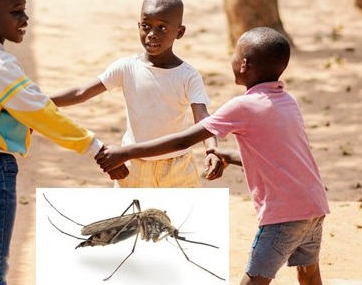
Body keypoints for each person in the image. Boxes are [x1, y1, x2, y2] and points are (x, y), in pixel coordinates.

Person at [96, 27, 330, 285]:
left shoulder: (242, 106)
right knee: (308, 274)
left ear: (243, 64)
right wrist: (227, 156)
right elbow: (283, 157)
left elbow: (184, 139)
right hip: (314, 205)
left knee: (254, 280)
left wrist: (125, 152)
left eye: (234, 53)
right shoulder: (288, 101)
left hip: (282, 215)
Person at [0, 0, 127, 285]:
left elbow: (15, 104)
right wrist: (95, 147)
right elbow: (41, 113)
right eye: (15, 12)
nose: (25, 17)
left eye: (24, 9)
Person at [51, 0, 223, 187]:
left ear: (180, 32)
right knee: (129, 216)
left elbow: (202, 117)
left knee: (182, 215)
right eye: (146, 26)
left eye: (162, 28)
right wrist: (38, 104)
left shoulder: (187, 75)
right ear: (138, 26)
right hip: (132, 166)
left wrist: (212, 150)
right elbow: (81, 93)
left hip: (178, 166)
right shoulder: (126, 67)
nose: (151, 34)